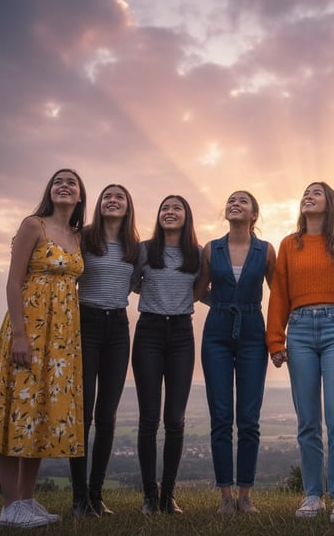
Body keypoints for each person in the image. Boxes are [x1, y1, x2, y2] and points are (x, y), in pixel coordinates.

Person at [0, 168, 87, 528]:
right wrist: (21, 336)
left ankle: (27, 499)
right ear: (50, 191)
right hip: (29, 327)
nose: (64, 185)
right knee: (15, 409)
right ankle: (10, 506)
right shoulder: (33, 225)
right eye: (58, 181)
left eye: (71, 182)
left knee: (40, 413)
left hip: (62, 338)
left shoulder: (76, 235)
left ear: (79, 196)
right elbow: (13, 282)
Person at [266, 182, 334, 523]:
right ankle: (312, 496)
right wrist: (275, 341)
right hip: (300, 330)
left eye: (316, 193)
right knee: (307, 421)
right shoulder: (290, 244)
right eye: (305, 192)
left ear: (329, 203)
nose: (309, 196)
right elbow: (279, 293)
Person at [194, 191, 276, 514]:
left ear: (254, 213)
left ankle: (245, 495)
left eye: (243, 200)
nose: (235, 204)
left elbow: (279, 295)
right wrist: (222, 305)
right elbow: (198, 292)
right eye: (231, 200)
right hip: (216, 333)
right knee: (221, 415)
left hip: (254, 333)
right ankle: (225, 497)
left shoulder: (266, 250)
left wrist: (278, 340)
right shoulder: (211, 249)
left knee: (249, 418)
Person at [69, 184, 139, 518]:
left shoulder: (134, 247)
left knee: (107, 415)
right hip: (86, 323)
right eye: (107, 196)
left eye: (119, 197)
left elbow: (140, 282)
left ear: (128, 208)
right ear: (99, 205)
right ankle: (79, 498)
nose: (112, 200)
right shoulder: (82, 237)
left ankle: (96, 496)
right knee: (82, 413)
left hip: (118, 328)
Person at [131, 195, 201, 515]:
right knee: (149, 419)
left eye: (177, 208)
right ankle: (149, 496)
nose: (170, 212)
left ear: (186, 217)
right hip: (149, 333)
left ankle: (167, 496)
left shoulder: (198, 254)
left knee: (174, 419)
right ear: (158, 216)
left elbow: (202, 290)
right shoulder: (144, 250)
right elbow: (132, 285)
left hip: (182, 337)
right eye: (165, 208)